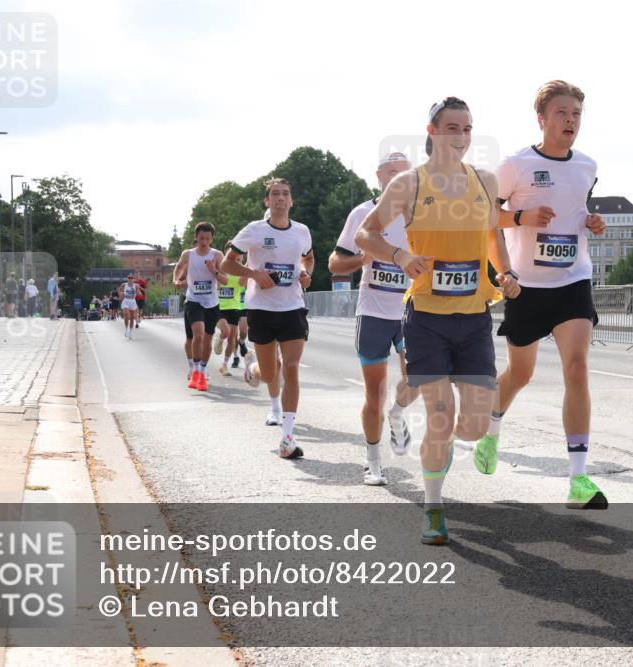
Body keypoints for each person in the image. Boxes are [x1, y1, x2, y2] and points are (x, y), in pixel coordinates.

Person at [356, 97, 520, 544]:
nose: (461, 137)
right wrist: (400, 254)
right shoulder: (409, 185)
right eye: (452, 128)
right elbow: (363, 233)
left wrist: (504, 273)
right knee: (441, 415)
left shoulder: (484, 181)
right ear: (431, 131)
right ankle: (433, 507)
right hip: (426, 317)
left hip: (473, 318)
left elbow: (492, 235)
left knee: (475, 424)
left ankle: (443, 454)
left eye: (467, 128)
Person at [475, 81, 608, 510]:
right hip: (526, 285)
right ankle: (490, 432)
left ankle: (578, 479)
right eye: (562, 114)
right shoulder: (515, 165)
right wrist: (520, 218)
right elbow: (485, 218)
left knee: (577, 366)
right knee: (521, 374)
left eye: (576, 115)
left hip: (573, 280)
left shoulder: (587, 165)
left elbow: (576, 210)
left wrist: (593, 222)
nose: (571, 121)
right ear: (542, 119)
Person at [330, 151, 421, 486]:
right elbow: (335, 264)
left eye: (404, 173)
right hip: (373, 312)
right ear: (379, 176)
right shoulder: (363, 214)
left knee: (418, 378)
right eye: (392, 173)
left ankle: (397, 415)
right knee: (374, 392)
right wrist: (363, 258)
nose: (398, 179)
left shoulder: (418, 213)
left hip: (411, 309)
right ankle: (373, 461)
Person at [222, 177, 314, 459]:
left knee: (292, 369)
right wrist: (255, 274)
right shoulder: (254, 230)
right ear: (267, 201)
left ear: (291, 200)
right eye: (275, 194)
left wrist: (305, 272)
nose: (280, 198)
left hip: (293, 308)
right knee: (271, 372)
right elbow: (227, 263)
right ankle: (252, 370)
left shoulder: (301, 231)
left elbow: (308, 257)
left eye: (285, 194)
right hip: (261, 310)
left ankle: (287, 436)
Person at [174, 222, 228, 392]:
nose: (204, 241)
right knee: (197, 334)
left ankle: (202, 373)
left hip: (211, 302)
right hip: (193, 300)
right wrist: (176, 279)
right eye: (201, 238)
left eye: (207, 238)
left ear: (212, 239)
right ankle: (195, 370)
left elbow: (225, 280)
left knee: (206, 339)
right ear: (196, 237)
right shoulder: (188, 254)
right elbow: (179, 267)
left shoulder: (217, 255)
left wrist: (214, 271)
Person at [213, 256, 247, 376]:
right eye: (234, 259)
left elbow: (244, 282)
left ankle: (224, 365)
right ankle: (221, 338)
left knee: (233, 337)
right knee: (226, 333)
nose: (236, 262)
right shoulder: (221, 270)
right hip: (220, 307)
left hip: (235, 307)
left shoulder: (242, 273)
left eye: (239, 260)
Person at [118, 274, 141, 339]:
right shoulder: (124, 285)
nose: (130, 279)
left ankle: (130, 332)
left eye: (131, 278)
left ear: (133, 279)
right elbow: (119, 290)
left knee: (131, 318)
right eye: (129, 278)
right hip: (126, 300)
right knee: (126, 314)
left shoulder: (136, 285)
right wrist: (121, 294)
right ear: (127, 279)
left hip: (132, 301)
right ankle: (126, 329)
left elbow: (139, 293)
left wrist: (136, 291)